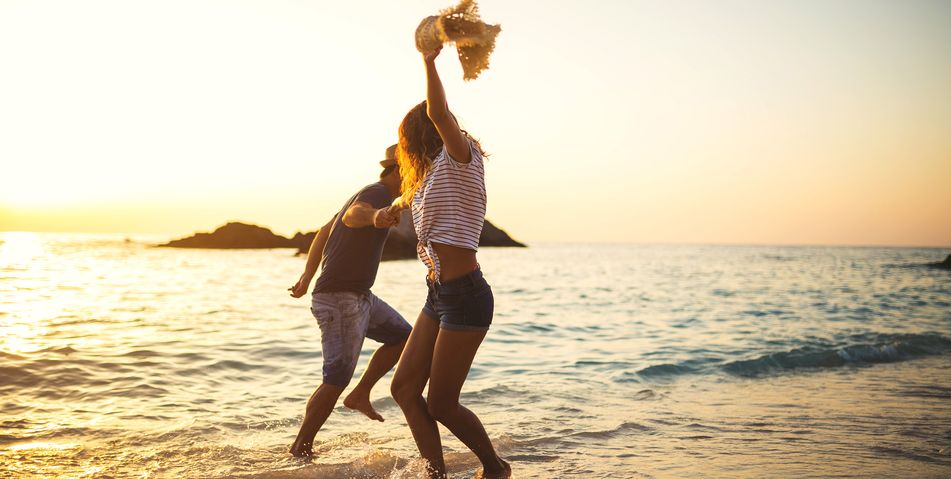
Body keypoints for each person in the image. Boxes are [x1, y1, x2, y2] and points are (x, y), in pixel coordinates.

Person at [389, 45, 511, 479]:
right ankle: (434, 473)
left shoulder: (461, 157)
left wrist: (427, 61)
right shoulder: (431, 175)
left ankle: (496, 468)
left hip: (466, 297)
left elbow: (440, 113)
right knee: (404, 388)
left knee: (441, 402)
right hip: (438, 295)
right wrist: (394, 208)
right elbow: (415, 197)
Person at [287, 145, 410, 457]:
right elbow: (356, 217)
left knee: (403, 337)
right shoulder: (378, 193)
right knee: (336, 377)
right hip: (340, 298)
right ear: (399, 169)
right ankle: (301, 448)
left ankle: (361, 393)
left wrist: (306, 275)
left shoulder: (364, 194)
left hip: (358, 295)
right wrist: (377, 216)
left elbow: (323, 232)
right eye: (415, 168)